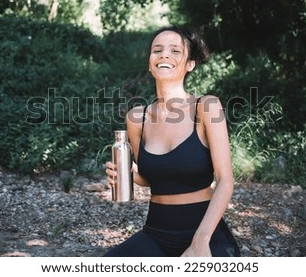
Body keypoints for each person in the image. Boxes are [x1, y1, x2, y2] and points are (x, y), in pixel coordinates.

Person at [103, 26, 240, 257]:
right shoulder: (137, 118)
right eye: (157, 50)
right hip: (155, 233)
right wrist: (126, 173)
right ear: (150, 63)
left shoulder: (207, 107)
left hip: (206, 232)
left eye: (175, 50)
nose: (164, 55)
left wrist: (200, 241)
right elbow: (151, 178)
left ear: (190, 64)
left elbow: (225, 181)